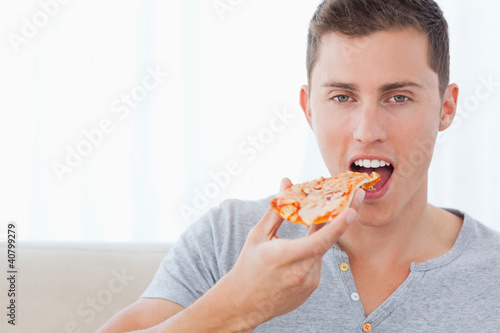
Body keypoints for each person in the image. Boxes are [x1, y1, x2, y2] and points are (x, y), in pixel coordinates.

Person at [98, 0, 500, 332]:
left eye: (398, 98)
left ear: (446, 109)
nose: (368, 131)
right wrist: (237, 306)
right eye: (342, 97)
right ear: (309, 109)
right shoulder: (228, 240)